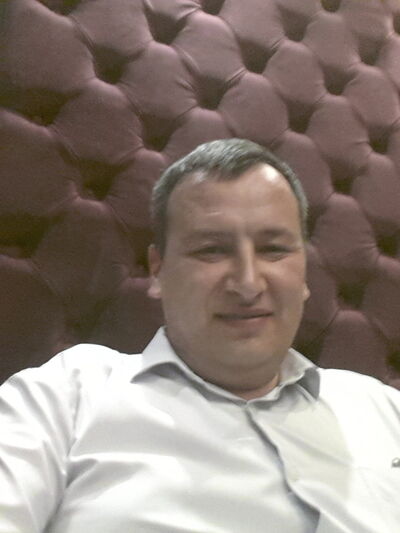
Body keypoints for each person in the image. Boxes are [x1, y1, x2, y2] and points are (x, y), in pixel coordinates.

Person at [0, 139, 399, 533]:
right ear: (158, 270)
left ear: (304, 273)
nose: (248, 284)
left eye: (274, 249)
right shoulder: (65, 398)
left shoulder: (384, 409)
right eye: (212, 250)